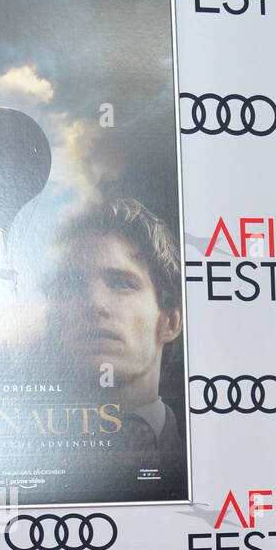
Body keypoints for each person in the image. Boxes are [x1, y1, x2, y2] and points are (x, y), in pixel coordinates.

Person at [48, 198, 187, 501]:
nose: (95, 304)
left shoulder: (202, 459)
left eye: (121, 282)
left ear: (170, 320)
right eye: (72, 285)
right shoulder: (36, 464)